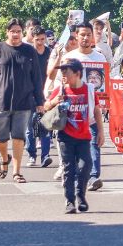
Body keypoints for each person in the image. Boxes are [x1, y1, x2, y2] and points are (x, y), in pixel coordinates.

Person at [0, 18, 46, 183]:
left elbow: (36, 77)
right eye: (12, 31)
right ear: (6, 32)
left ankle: (17, 172)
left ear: (22, 32)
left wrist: (40, 102)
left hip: (23, 103)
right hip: (1, 101)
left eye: (18, 31)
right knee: (0, 139)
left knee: (18, 137)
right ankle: (4, 158)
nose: (15, 34)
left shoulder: (29, 51)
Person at [57, 22, 108, 189]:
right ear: (76, 36)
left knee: (95, 142)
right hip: (72, 113)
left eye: (88, 34)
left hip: (92, 111)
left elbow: (103, 86)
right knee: (73, 149)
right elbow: (60, 82)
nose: (85, 38)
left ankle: (94, 177)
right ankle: (73, 176)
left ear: (93, 36)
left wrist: (105, 103)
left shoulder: (100, 58)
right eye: (82, 35)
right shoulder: (69, 58)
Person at [44, 59, 99, 214]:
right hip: (65, 136)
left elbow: (96, 112)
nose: (63, 74)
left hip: (84, 136)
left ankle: (80, 195)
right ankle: (69, 201)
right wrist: (55, 101)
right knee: (69, 169)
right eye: (62, 71)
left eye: (66, 71)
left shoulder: (89, 89)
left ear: (77, 73)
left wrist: (100, 132)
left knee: (85, 166)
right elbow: (46, 106)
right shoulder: (61, 89)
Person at [25, 22, 55, 168]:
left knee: (45, 126)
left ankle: (45, 155)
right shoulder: (28, 52)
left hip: (46, 93)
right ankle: (31, 155)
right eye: (38, 40)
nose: (41, 42)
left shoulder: (50, 53)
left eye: (43, 39)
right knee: (30, 126)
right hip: (30, 93)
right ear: (33, 38)